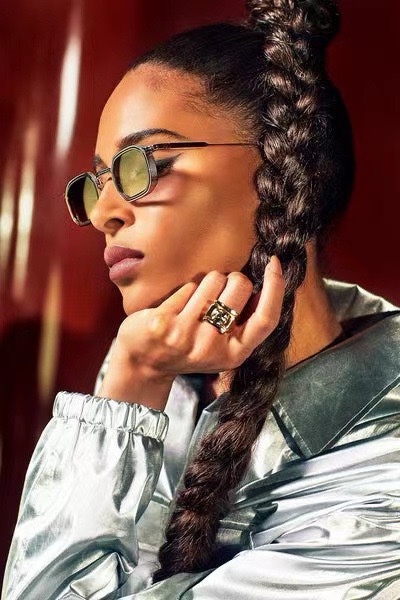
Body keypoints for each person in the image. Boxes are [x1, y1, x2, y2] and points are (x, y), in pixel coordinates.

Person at [2, 0, 400, 598]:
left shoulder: (385, 476)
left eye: (142, 165)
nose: (104, 212)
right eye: (96, 184)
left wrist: (131, 383)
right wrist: (135, 380)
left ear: (288, 173)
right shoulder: (166, 372)